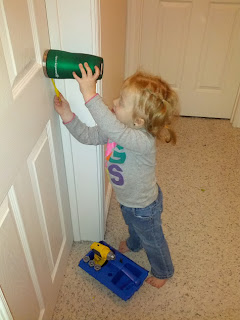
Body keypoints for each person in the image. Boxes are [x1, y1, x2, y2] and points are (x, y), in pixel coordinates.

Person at [54, 62, 178, 288]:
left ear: (138, 121)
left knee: (153, 239)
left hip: (144, 206)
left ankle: (163, 270)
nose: (113, 103)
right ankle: (133, 243)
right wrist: (67, 115)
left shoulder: (142, 141)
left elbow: (112, 128)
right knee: (132, 226)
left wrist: (90, 94)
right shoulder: (118, 127)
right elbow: (88, 136)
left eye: (121, 102)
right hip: (127, 199)